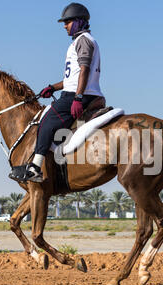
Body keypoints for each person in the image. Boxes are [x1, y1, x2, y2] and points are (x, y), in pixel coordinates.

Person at [21, 2, 103, 183]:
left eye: (68, 22)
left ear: (79, 22)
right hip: (76, 91)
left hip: (79, 94)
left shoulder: (83, 41)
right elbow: (72, 77)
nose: (65, 26)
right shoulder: (80, 41)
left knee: (46, 121)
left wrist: (78, 98)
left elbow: (84, 70)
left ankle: (35, 167)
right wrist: (53, 87)